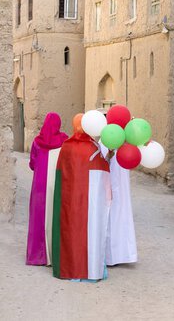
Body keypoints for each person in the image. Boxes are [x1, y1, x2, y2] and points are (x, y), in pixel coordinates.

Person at [51, 116, 111, 281]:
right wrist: (109, 157)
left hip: (68, 199)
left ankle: (69, 268)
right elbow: (103, 170)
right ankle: (88, 270)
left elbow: (60, 173)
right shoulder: (93, 148)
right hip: (88, 201)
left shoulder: (66, 146)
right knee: (88, 231)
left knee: (70, 231)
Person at [27, 113, 68, 266]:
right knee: (55, 215)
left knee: (39, 217)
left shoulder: (37, 142)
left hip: (39, 185)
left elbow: (32, 164)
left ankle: (38, 256)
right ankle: (54, 255)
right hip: (57, 183)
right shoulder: (64, 140)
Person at [100, 142, 138, 266]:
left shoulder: (125, 144)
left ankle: (118, 254)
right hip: (110, 184)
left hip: (119, 185)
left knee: (117, 213)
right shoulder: (105, 142)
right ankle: (112, 255)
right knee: (113, 214)